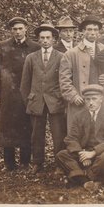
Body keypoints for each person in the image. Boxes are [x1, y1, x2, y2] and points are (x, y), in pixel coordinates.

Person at [0, 16, 40, 171]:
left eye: (20, 28)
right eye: (14, 29)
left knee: (27, 127)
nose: (17, 32)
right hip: (7, 95)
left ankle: (25, 162)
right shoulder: (1, 46)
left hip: (27, 94)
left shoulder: (35, 47)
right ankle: (9, 163)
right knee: (6, 127)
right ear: (11, 30)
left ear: (26, 29)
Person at [20, 23, 66, 174]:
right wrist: (30, 101)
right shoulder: (31, 58)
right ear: (38, 40)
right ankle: (37, 162)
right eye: (42, 38)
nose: (45, 40)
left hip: (55, 101)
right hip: (36, 101)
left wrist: (62, 99)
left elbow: (64, 80)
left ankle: (60, 164)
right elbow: (24, 84)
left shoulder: (61, 57)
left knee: (58, 134)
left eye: (48, 38)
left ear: (53, 39)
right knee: (36, 134)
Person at [56, 84, 104, 189]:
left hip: (101, 154)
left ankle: (80, 177)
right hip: (84, 153)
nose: (90, 103)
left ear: (101, 99)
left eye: (94, 99)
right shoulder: (79, 116)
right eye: (87, 99)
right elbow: (71, 138)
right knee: (62, 154)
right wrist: (81, 154)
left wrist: (93, 153)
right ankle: (86, 181)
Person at [59, 15, 104, 135]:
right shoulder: (71, 54)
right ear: (82, 31)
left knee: (99, 133)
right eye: (89, 29)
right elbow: (64, 81)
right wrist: (74, 96)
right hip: (80, 101)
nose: (93, 33)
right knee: (80, 134)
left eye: (96, 30)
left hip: (100, 100)